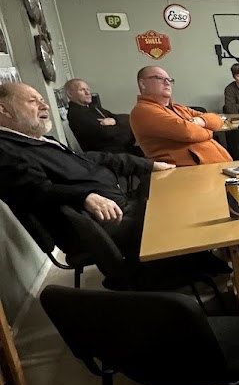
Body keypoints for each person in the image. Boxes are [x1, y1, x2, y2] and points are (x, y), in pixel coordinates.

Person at [0, 82, 172, 258]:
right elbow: (35, 190)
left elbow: (93, 158)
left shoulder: (38, 140)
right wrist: (84, 196)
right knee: (174, 219)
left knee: (169, 193)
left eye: (42, 100)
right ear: (4, 109)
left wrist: (148, 165)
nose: (45, 106)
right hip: (104, 224)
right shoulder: (5, 149)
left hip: (120, 204)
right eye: (32, 101)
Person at [130, 67, 231, 166]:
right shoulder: (142, 111)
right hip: (187, 172)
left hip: (217, 166)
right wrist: (209, 130)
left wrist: (199, 121)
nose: (167, 83)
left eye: (169, 80)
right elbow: (187, 132)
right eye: (159, 78)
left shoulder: (178, 108)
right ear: (143, 84)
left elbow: (217, 119)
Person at [64, 78, 136, 153]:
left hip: (123, 148)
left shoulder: (93, 107)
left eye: (88, 89)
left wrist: (114, 120)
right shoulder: (76, 115)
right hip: (109, 155)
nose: (88, 93)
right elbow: (106, 133)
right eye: (82, 90)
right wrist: (124, 126)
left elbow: (125, 118)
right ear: (70, 94)